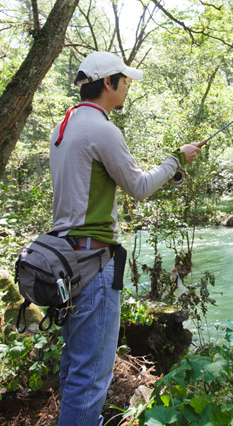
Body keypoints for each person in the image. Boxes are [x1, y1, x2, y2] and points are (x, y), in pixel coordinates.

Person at [49, 51, 204, 426]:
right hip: (93, 263)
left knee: (74, 366)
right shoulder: (102, 129)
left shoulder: (65, 126)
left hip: (63, 259)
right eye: (125, 80)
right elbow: (138, 187)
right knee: (91, 375)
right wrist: (176, 161)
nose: (128, 86)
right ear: (108, 82)